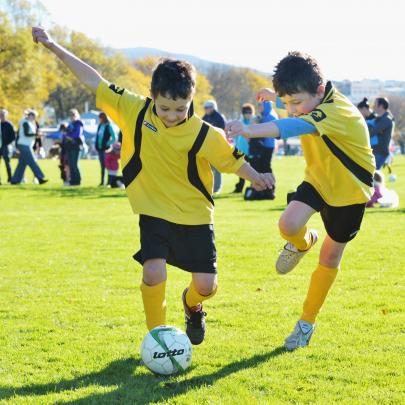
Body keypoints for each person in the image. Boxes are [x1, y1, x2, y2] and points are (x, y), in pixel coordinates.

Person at [32, 26, 274, 345]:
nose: (172, 116)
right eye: (164, 108)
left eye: (180, 108)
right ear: (152, 96)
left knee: (206, 286)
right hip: (154, 210)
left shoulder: (204, 133)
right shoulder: (134, 110)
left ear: (191, 100)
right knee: (153, 273)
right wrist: (54, 47)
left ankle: (192, 306)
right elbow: (94, 80)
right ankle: (157, 341)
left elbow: (232, 161)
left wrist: (257, 177)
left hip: (195, 215)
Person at [227, 52, 375, 350]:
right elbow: (302, 105)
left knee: (329, 259)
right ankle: (304, 241)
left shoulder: (336, 111)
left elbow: (294, 126)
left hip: (349, 192)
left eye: (295, 103)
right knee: (287, 224)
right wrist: (277, 97)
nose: (292, 109)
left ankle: (306, 322)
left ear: (319, 91)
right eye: (288, 102)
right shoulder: (315, 97)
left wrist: (250, 129)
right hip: (319, 180)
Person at [11, 110, 48, 185]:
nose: (34, 117)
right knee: (32, 161)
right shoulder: (25, 122)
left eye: (34, 116)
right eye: (33, 115)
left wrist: (36, 134)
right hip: (24, 145)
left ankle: (15, 180)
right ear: (29, 115)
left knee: (22, 164)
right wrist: (36, 134)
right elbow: (26, 134)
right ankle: (40, 177)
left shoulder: (29, 123)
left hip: (26, 144)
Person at [202, 100, 226, 194]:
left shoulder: (219, 117)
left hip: (217, 146)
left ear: (213, 107)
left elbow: (223, 131)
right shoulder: (205, 117)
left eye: (207, 107)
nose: (206, 109)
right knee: (208, 168)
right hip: (208, 146)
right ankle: (209, 187)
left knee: (217, 168)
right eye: (205, 108)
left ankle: (217, 189)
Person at [232, 103, 254, 193]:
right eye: (246, 112)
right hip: (239, 149)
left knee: (252, 170)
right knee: (240, 169)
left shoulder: (254, 122)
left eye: (249, 112)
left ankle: (252, 187)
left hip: (250, 150)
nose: (248, 114)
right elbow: (236, 137)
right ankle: (239, 188)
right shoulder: (240, 122)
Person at [369, 97, 394, 170]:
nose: (373, 106)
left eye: (375, 104)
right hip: (376, 151)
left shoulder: (386, 120)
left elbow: (372, 132)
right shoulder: (380, 119)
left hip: (380, 152)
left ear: (381, 106)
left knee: (373, 175)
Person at [95, 112, 116, 186]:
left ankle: (109, 182)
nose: (99, 119)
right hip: (100, 149)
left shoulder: (108, 126)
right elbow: (98, 137)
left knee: (108, 166)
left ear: (103, 118)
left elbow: (114, 137)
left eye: (100, 118)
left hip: (106, 149)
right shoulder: (100, 126)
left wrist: (107, 143)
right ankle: (102, 182)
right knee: (102, 166)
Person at [65, 108, 84, 186]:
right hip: (69, 146)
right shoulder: (70, 124)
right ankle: (72, 181)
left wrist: (69, 136)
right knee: (71, 164)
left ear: (77, 115)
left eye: (74, 115)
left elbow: (77, 134)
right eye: (71, 115)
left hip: (76, 146)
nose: (72, 116)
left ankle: (77, 180)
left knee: (75, 164)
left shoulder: (79, 123)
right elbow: (65, 133)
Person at [0, 109, 15, 184]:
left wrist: (6, 143)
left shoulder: (9, 125)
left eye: (3, 115)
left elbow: (13, 137)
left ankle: (10, 179)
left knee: (7, 163)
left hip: (5, 146)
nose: (1, 116)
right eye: (0, 115)